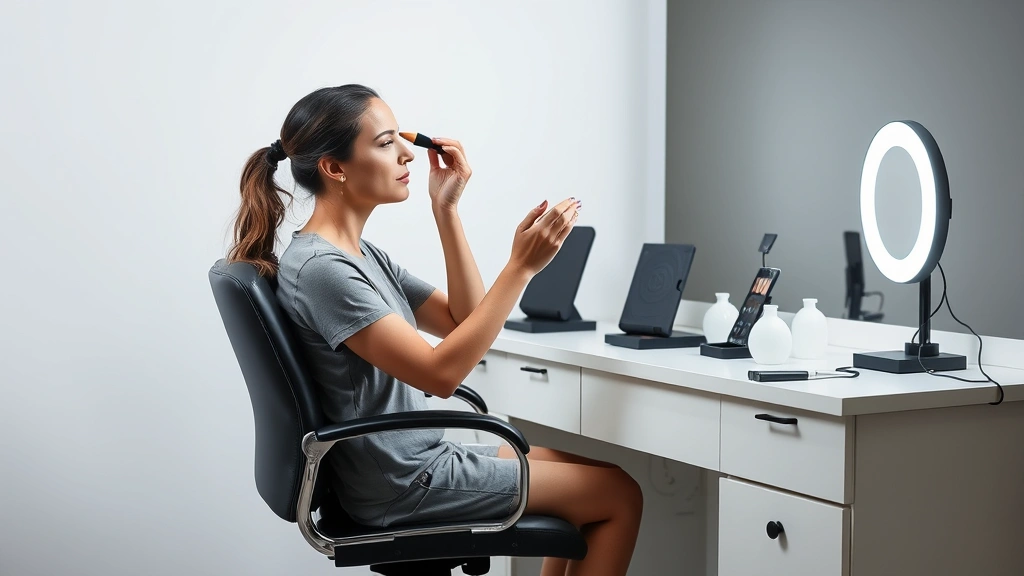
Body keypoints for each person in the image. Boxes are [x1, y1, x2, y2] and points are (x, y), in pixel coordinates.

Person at [227, 84, 642, 576]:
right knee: (619, 496)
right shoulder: (323, 270)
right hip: (404, 483)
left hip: (418, 462)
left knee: (603, 476)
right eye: (385, 143)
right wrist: (521, 270)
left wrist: (446, 210)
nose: (407, 153)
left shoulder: (359, 255)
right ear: (335, 169)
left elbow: (462, 321)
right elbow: (440, 376)